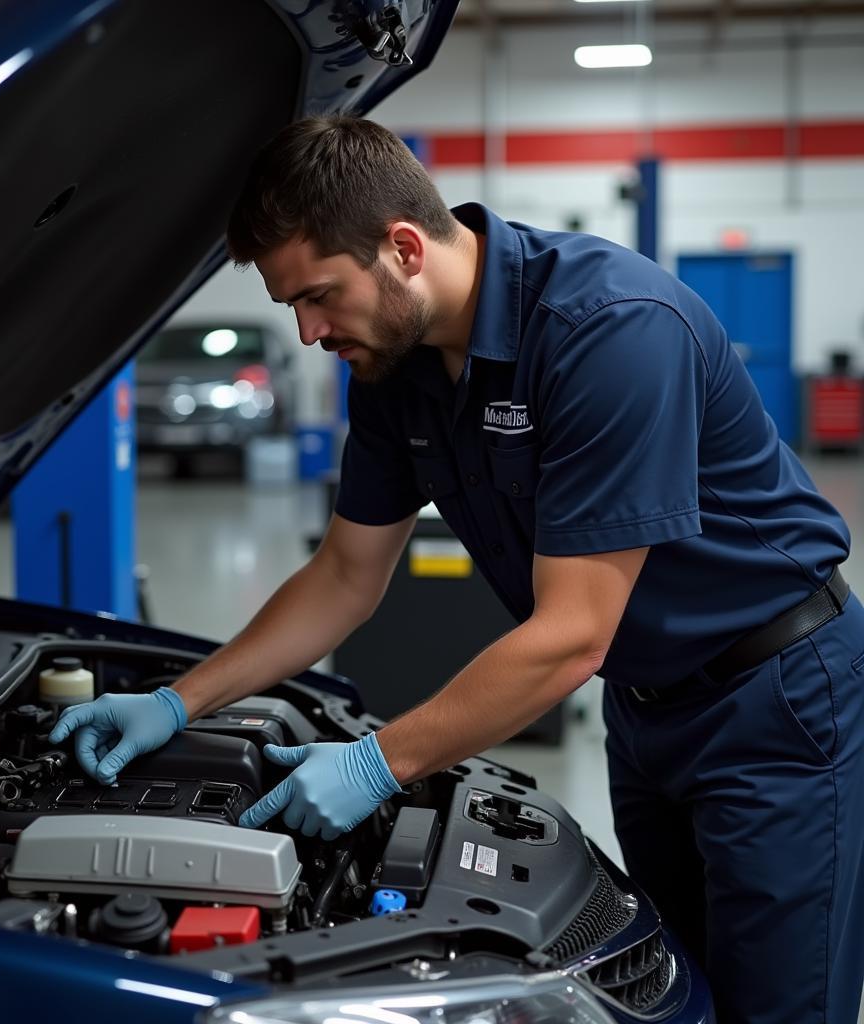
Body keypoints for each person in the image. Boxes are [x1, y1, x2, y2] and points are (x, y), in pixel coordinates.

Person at [49, 116, 864, 1024]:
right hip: (649, 709)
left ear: (403, 248)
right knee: (678, 991)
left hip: (777, 703)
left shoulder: (607, 332)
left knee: (780, 1007)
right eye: (293, 309)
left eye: (319, 295)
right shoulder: (394, 371)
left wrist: (375, 764)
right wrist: (177, 701)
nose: (311, 331)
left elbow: (569, 639)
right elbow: (345, 576)